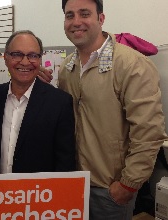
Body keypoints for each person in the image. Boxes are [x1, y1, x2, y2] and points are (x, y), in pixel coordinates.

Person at [58, 0, 167, 219]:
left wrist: (127, 185)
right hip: (73, 184)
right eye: (70, 15)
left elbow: (149, 132)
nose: (76, 22)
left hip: (109, 191)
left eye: (84, 13)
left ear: (101, 18)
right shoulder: (67, 67)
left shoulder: (131, 64)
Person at [0, 30, 76, 174]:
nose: (25, 62)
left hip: (39, 193)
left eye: (32, 55)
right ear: (5, 58)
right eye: (17, 54)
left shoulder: (59, 103)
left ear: (40, 60)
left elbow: (65, 163)